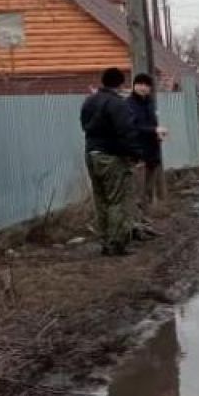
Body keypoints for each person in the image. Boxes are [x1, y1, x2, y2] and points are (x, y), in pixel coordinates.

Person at [80, 67, 142, 256]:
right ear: (120, 83)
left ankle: (105, 242)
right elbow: (126, 132)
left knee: (101, 199)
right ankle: (117, 244)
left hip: (91, 154)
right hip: (112, 157)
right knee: (116, 200)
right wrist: (135, 154)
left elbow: (84, 125)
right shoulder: (117, 104)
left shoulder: (89, 101)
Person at [127, 73, 164, 238]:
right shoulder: (128, 105)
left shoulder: (149, 104)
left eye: (146, 85)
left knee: (148, 193)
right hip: (138, 154)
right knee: (137, 194)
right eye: (140, 84)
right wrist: (153, 130)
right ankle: (136, 228)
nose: (143, 87)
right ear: (134, 86)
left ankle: (146, 225)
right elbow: (133, 128)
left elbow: (151, 125)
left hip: (152, 153)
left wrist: (157, 135)